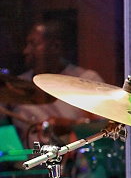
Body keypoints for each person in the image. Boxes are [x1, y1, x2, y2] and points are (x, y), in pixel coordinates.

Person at [7, 18, 103, 146]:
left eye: (33, 44)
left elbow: (104, 127)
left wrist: (71, 126)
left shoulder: (87, 80)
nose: (26, 51)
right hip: (27, 158)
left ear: (55, 46)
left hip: (73, 157)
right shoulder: (14, 86)